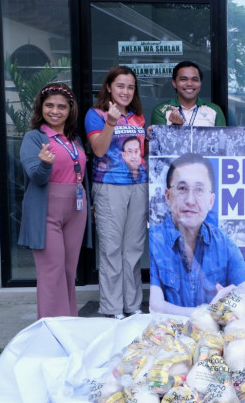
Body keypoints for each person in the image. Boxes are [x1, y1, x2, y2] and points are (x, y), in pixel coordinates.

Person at [149, 153, 245, 316]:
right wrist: (209, 311)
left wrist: (235, 296)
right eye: (182, 189)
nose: (190, 200)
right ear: (168, 197)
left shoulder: (223, 243)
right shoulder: (154, 241)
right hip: (168, 334)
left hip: (213, 336)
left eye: (199, 190)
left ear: (211, 201)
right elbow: (155, 306)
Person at [18, 83, 91, 319]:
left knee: (69, 271)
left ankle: (69, 324)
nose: (55, 111)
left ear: (70, 110)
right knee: (52, 270)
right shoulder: (34, 137)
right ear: (41, 107)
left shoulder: (74, 138)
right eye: (49, 105)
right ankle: (49, 329)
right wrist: (44, 163)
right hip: (46, 209)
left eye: (62, 106)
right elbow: (36, 177)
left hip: (76, 208)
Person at [85, 66, 148, 319]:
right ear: (109, 87)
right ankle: (112, 308)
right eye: (120, 85)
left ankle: (132, 305)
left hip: (139, 185)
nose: (125, 91)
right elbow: (99, 150)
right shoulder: (96, 114)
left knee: (133, 248)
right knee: (111, 249)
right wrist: (110, 122)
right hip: (109, 186)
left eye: (130, 87)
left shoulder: (138, 117)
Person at [151, 61, 226, 126]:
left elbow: (222, 141)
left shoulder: (215, 110)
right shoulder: (160, 110)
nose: (189, 84)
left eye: (195, 79)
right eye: (183, 79)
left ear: (200, 83)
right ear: (174, 83)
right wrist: (174, 127)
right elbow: (160, 141)